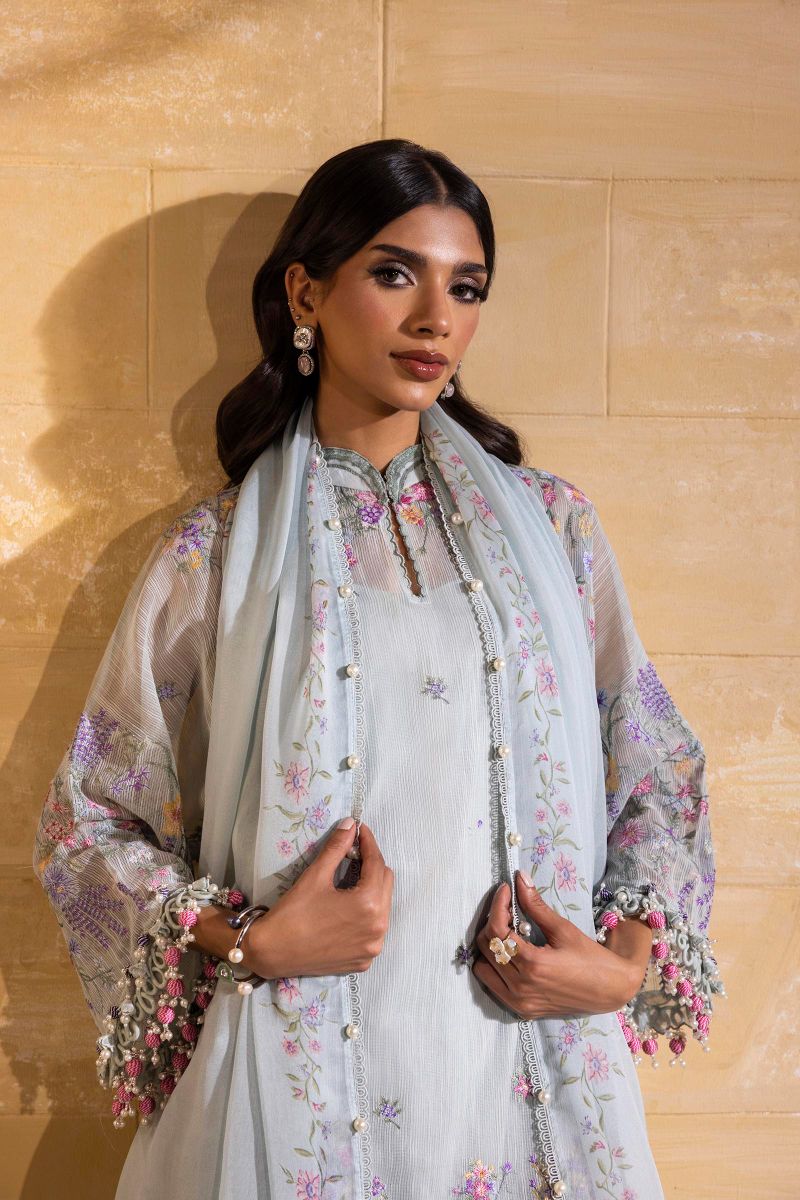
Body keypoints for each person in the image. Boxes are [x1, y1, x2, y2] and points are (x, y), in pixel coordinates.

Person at [32, 138, 725, 1200]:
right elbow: (87, 818)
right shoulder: (215, 555)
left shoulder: (553, 531)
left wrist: (622, 963)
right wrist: (251, 942)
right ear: (305, 293)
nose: (436, 318)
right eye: (396, 273)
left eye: (466, 287)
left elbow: (659, 771)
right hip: (296, 1075)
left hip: (527, 1063)